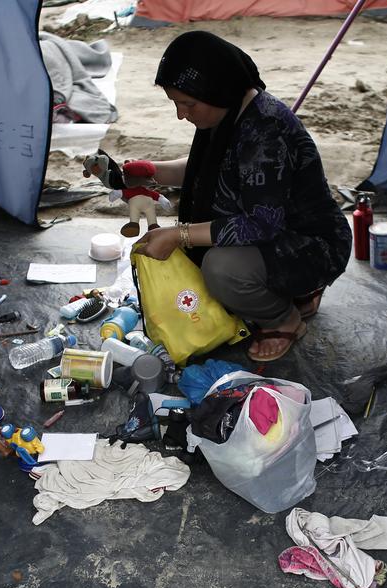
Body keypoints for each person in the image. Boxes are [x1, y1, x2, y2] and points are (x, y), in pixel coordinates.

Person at [128, 31, 352, 362]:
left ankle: (284, 319)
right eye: (176, 103)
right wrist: (150, 170)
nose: (181, 114)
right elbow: (210, 168)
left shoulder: (265, 133)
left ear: (214, 89)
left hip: (313, 244)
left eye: (188, 104)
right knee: (212, 256)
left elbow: (261, 225)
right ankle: (294, 294)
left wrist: (180, 234)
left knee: (222, 270)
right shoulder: (231, 109)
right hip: (280, 235)